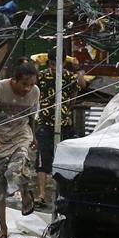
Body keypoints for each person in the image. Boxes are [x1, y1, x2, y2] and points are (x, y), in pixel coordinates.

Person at [0, 60, 39, 238]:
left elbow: (32, 117)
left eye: (32, 85)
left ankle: (26, 192)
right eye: (24, 84)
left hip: (20, 135)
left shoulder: (34, 92)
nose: (28, 89)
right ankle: (3, 229)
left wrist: (34, 136)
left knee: (17, 168)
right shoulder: (0, 88)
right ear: (14, 80)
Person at [35, 55, 85, 206]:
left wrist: (79, 71)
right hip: (44, 121)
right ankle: (42, 194)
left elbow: (79, 89)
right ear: (49, 63)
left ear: (63, 62)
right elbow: (35, 93)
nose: (55, 66)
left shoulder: (70, 76)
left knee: (64, 158)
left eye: (58, 63)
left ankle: (62, 193)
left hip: (64, 122)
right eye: (52, 63)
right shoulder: (42, 76)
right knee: (43, 157)